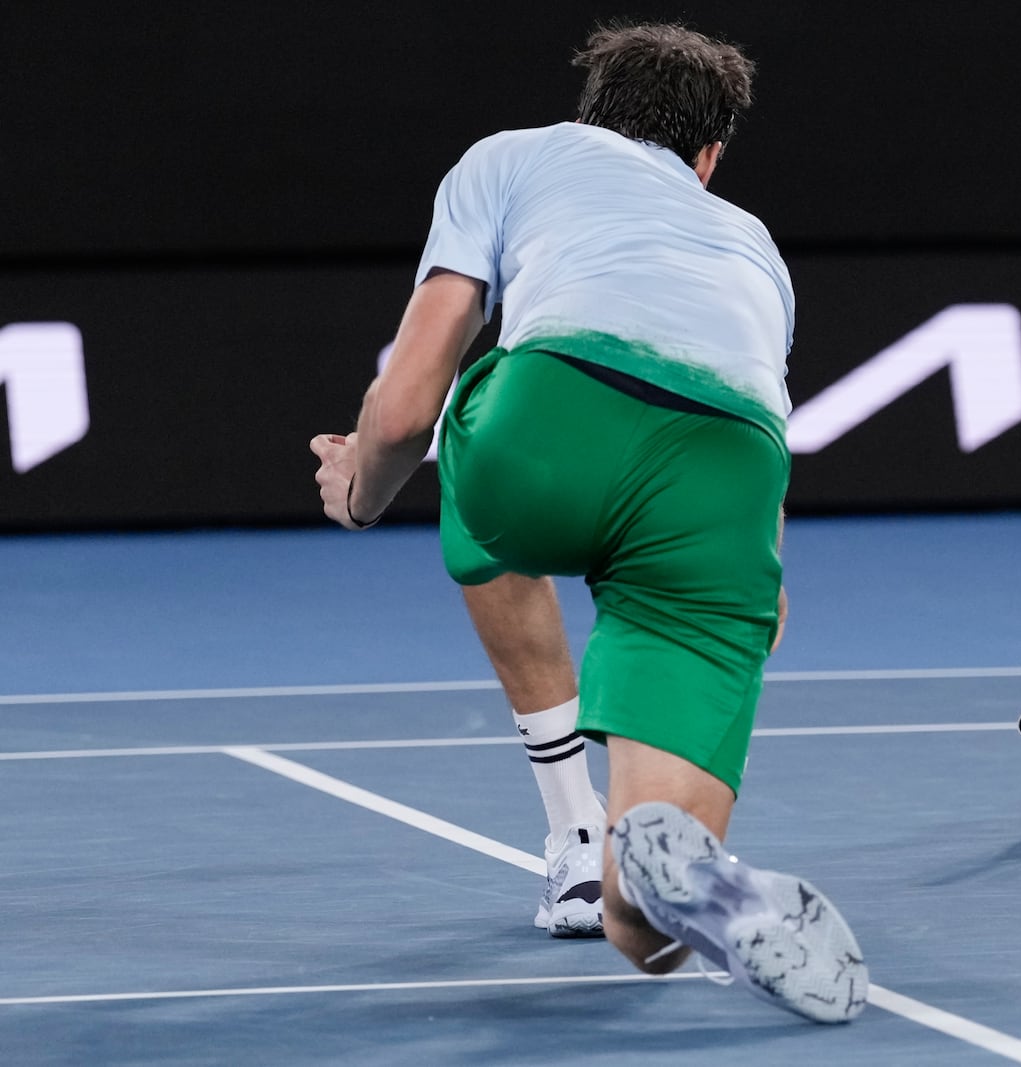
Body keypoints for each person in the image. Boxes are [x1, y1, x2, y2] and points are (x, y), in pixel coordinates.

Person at [309, 21, 867, 1023]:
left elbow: (403, 405)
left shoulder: (511, 158)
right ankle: (658, 874)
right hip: (724, 485)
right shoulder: (756, 246)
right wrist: (755, 580)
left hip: (549, 429)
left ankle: (577, 828)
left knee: (479, 460)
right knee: (637, 920)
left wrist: (359, 489)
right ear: (708, 158)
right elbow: (764, 438)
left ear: (590, 112)